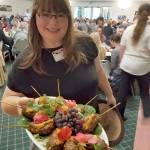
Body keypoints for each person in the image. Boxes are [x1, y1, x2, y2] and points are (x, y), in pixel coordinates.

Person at [1, 0, 116, 117]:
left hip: (92, 124)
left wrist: (110, 95)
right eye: (45, 14)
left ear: (69, 18)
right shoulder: (25, 61)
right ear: (35, 16)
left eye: (60, 14)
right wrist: (20, 105)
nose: (53, 22)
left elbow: (99, 70)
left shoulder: (85, 42)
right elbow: (6, 101)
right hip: (54, 134)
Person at [118, 3, 150, 120]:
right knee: (144, 92)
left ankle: (119, 116)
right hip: (143, 67)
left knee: (122, 93)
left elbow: (122, 48)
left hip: (127, 65)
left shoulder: (129, 28)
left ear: (137, 13)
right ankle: (147, 114)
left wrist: (123, 62)